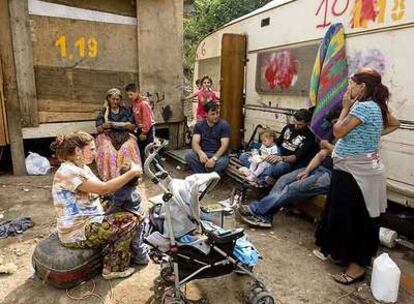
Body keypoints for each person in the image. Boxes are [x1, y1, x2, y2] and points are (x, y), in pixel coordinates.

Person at [315, 67, 400, 285]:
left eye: (351, 84)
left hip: (356, 174)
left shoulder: (362, 107)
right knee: (351, 216)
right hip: (357, 171)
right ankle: (346, 257)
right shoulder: (378, 107)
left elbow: (338, 131)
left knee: (354, 219)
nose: (348, 88)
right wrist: (372, 133)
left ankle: (356, 267)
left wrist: (345, 108)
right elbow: (394, 124)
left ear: (362, 86)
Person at [50, 131, 143, 280]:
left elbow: (102, 189)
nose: (95, 152)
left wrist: (122, 177)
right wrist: (131, 173)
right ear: (77, 151)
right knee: (131, 219)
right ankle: (114, 268)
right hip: (77, 231)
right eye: (92, 149)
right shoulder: (68, 172)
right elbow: (104, 188)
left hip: (88, 218)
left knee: (118, 205)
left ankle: (112, 248)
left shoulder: (82, 168)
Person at [238, 140, 334, 228]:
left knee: (292, 188)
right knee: (283, 180)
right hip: (317, 167)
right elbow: (321, 155)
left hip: (331, 175)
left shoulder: (346, 141)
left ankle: (256, 210)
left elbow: (346, 156)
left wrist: (328, 145)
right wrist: (307, 171)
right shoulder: (339, 137)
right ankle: (266, 215)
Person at [240, 108, 318, 185]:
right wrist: (264, 151)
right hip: (274, 154)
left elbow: (296, 157)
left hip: (285, 161)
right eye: (294, 122)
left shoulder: (309, 137)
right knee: (244, 156)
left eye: (300, 124)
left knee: (281, 166)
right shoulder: (288, 127)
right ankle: (262, 176)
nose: (296, 126)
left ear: (307, 123)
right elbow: (277, 143)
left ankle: (255, 174)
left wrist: (280, 158)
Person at [95, 88, 141, 181]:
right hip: (107, 134)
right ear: (108, 99)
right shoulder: (104, 111)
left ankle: (130, 176)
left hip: (124, 133)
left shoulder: (126, 110)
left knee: (128, 147)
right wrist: (104, 125)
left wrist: (126, 125)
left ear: (120, 100)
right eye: (113, 99)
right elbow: (98, 129)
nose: (115, 101)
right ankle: (109, 176)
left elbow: (133, 126)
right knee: (106, 149)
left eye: (117, 99)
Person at [108, 165, 149, 265]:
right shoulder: (134, 189)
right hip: (141, 216)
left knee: (136, 243)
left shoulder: (122, 191)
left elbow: (115, 206)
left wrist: (106, 214)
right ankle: (140, 252)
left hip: (135, 221)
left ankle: (143, 259)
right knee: (138, 239)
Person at [185, 101, 230, 174]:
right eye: (212, 114)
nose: (216, 116)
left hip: (218, 155)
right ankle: (207, 175)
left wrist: (214, 159)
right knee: (189, 156)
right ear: (206, 114)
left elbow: (224, 145)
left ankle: (202, 174)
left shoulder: (224, 125)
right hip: (204, 153)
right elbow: (195, 143)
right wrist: (200, 153)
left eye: (217, 113)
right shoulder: (199, 125)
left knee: (223, 162)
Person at [125, 83, 155, 161]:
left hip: (147, 130)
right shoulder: (135, 103)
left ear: (137, 92)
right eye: (128, 95)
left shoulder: (143, 104)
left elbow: (147, 120)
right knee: (140, 149)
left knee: (149, 150)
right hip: (140, 130)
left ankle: (160, 170)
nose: (129, 97)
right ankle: (142, 168)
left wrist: (144, 133)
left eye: (131, 94)